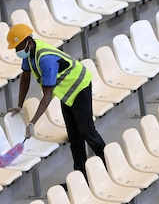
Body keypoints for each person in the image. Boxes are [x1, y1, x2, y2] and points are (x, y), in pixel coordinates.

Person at [6, 24, 106, 175]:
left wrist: (32, 122)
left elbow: (47, 95)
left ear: (27, 41)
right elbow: (25, 76)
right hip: (66, 92)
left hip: (79, 86)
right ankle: (81, 176)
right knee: (74, 136)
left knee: (87, 131)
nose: (16, 50)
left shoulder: (45, 60)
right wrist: (19, 105)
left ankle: (109, 164)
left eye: (18, 46)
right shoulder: (30, 53)